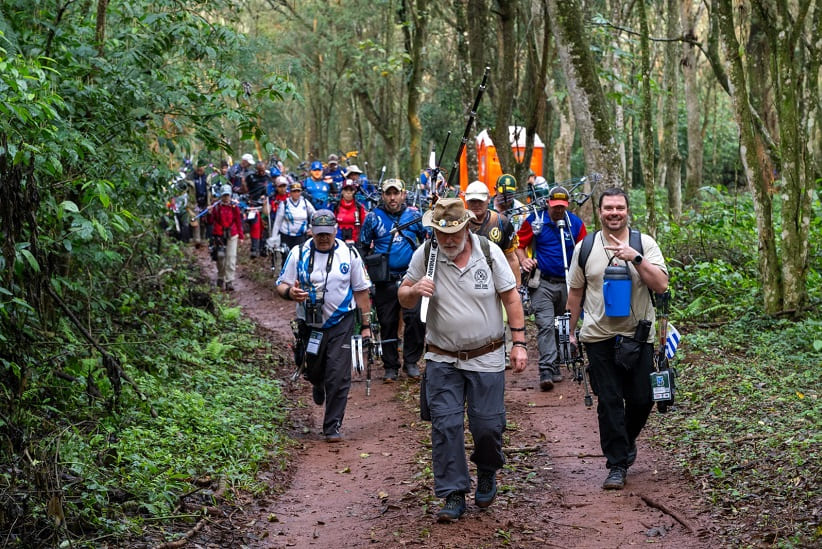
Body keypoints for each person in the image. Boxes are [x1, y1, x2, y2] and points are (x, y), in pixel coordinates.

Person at [397, 198, 528, 523]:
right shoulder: (425, 255)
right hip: (442, 358)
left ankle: (486, 470)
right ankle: (453, 493)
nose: (449, 239)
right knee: (446, 425)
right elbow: (403, 294)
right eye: (442, 233)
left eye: (454, 232)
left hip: (487, 356)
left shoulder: (488, 251)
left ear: (467, 226)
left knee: (487, 425)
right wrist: (414, 292)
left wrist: (519, 343)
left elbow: (511, 297)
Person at [565, 187, 668, 490]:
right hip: (598, 336)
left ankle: (623, 442)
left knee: (642, 398)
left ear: (627, 211)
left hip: (638, 335)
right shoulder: (585, 247)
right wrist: (570, 331)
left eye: (619, 208)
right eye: (608, 208)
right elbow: (575, 292)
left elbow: (661, 285)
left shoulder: (644, 244)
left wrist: (635, 258)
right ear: (599, 212)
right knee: (609, 401)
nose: (614, 213)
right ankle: (617, 465)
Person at [276, 210, 373, 442]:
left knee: (339, 375)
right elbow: (281, 284)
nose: (323, 238)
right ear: (311, 231)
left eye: (327, 234)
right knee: (314, 368)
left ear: (335, 230)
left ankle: (332, 426)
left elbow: (361, 290)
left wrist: (366, 325)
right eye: (319, 234)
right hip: (310, 323)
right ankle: (317, 383)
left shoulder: (348, 254)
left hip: (342, 320)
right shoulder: (298, 252)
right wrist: (291, 292)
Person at [516, 185, 587, 391]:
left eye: (562, 207)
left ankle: (555, 364)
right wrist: (524, 261)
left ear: (567, 206)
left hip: (568, 283)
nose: (558, 211)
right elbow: (519, 244)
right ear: (548, 203)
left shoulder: (575, 224)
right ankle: (546, 369)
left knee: (561, 325)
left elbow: (584, 249)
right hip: (542, 283)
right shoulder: (535, 221)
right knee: (545, 324)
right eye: (555, 207)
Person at [358, 178, 427, 382]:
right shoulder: (373, 218)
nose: (392, 197)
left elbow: (428, 240)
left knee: (415, 319)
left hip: (411, 278)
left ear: (403, 194)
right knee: (387, 322)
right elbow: (362, 246)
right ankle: (390, 366)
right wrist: (364, 275)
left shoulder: (415, 216)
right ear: (383, 195)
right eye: (388, 193)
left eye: (396, 193)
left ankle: (411, 362)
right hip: (384, 279)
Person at [464, 181, 521, 286]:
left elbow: (511, 257)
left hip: (496, 280)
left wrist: (517, 287)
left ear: (488, 199)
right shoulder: (459, 223)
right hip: (466, 280)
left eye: (480, 201)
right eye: (472, 201)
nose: (476, 205)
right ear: (466, 201)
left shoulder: (501, 222)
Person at [207, 184, 244, 291]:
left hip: (232, 234)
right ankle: (220, 277)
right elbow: (210, 222)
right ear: (221, 196)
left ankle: (229, 281)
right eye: (224, 196)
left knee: (231, 258)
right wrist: (209, 213)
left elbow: (238, 221)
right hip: (219, 235)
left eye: (228, 195)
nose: (226, 198)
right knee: (220, 257)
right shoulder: (216, 207)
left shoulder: (234, 207)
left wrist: (241, 236)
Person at [270, 181, 316, 252]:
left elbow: (314, 214)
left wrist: (312, 228)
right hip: (286, 236)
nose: (296, 194)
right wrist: (274, 238)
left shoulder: (305, 202)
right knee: (286, 257)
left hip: (301, 236)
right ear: (290, 192)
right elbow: (277, 222)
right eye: (294, 191)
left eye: (298, 191)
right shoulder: (284, 203)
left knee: (300, 256)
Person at [242, 161, 271, 257]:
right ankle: (254, 248)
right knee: (255, 226)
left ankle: (263, 248)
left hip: (264, 205)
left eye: (263, 170)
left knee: (264, 226)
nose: (262, 173)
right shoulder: (251, 177)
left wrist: (265, 197)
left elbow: (270, 191)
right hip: (253, 205)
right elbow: (245, 190)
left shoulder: (268, 177)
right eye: (260, 171)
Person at [334, 178, 367, 243]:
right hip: (338, 240)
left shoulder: (359, 207)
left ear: (354, 191)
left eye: (351, 190)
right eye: (346, 190)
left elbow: (364, 225)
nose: (348, 192)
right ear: (342, 191)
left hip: (355, 241)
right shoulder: (335, 206)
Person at [189, 165, 212, 246]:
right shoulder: (191, 178)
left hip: (205, 202)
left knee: (204, 221)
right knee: (195, 220)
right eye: (198, 167)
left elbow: (210, 190)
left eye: (201, 167)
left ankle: (203, 238)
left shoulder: (208, 178)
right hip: (195, 202)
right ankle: (197, 239)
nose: (199, 168)